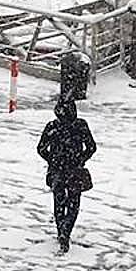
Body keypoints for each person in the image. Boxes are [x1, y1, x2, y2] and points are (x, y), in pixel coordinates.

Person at [37, 98, 97, 254]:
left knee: (59, 201)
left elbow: (41, 148)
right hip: (74, 170)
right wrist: (80, 159)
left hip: (57, 170)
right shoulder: (80, 126)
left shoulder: (52, 127)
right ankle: (66, 231)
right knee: (73, 203)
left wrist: (52, 159)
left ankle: (61, 231)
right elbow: (91, 147)